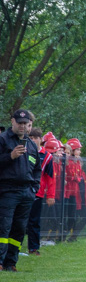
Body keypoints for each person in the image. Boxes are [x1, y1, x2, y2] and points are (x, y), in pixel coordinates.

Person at [0, 110, 42, 272]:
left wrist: (34, 187)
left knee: (19, 229)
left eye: (25, 123)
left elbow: (37, 169)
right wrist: (10, 156)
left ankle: (11, 262)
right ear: (12, 122)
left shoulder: (31, 144)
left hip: (26, 193)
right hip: (7, 191)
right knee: (4, 227)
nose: (23, 126)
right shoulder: (3, 140)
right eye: (20, 123)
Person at [27, 131, 58, 256]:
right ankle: (13, 249)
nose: (33, 140)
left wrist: (50, 196)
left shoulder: (47, 157)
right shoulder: (24, 151)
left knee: (34, 221)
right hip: (22, 191)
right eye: (30, 138)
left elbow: (50, 178)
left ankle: (33, 248)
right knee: (19, 222)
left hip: (37, 193)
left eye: (35, 138)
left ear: (40, 139)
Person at [64, 138, 86, 241]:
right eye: (78, 149)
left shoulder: (77, 162)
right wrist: (77, 179)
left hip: (77, 194)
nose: (80, 152)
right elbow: (72, 177)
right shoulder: (67, 162)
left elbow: (77, 177)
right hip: (68, 193)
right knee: (69, 216)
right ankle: (63, 236)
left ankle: (71, 236)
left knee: (75, 217)